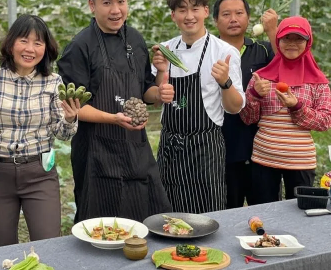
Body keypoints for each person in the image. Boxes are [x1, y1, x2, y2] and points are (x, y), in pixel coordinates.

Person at [0, 14, 79, 248]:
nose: (30, 49)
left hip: (40, 172)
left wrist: (69, 118)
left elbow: (63, 134)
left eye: (38, 43)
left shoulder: (53, 82)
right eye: (24, 41)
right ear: (11, 44)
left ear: (46, 49)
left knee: (48, 245)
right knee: (1, 248)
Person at [57, 0, 172, 223]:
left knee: (146, 219)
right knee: (99, 224)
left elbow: (145, 88)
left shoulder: (136, 40)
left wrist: (158, 93)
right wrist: (113, 118)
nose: (116, 10)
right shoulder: (80, 46)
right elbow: (76, 107)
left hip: (134, 147)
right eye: (107, 3)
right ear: (92, 5)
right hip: (95, 151)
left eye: (121, 2)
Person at [152, 0, 245, 213]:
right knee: (168, 214)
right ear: (173, 14)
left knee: (207, 214)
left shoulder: (224, 52)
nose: (189, 16)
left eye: (195, 9)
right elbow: (156, 96)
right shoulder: (166, 49)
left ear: (205, 11)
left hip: (205, 147)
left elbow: (235, 107)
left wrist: (225, 82)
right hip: (170, 147)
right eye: (182, 10)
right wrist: (159, 75)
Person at [240, 16, 331, 205]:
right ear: (278, 41)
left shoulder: (317, 80)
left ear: (308, 42)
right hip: (263, 159)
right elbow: (247, 118)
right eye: (286, 38)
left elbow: (326, 121)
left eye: (299, 39)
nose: (292, 44)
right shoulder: (261, 78)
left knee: (300, 216)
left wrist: (296, 106)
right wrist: (254, 95)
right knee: (266, 214)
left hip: (301, 163)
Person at [213, 0, 277, 208]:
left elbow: (287, 66)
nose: (233, 19)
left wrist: (273, 31)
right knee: (226, 213)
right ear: (214, 20)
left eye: (239, 13)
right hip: (221, 149)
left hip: (260, 150)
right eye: (226, 14)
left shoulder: (264, 50)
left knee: (266, 212)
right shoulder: (209, 53)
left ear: (248, 18)